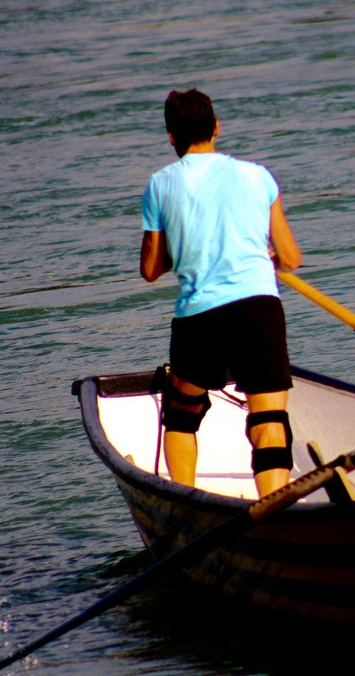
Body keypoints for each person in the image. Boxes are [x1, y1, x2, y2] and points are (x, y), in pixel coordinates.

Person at [139, 88, 302, 498]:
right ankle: (273, 512)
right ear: (216, 128)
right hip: (259, 309)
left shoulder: (160, 184)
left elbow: (150, 269)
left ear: (171, 138)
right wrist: (267, 252)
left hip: (201, 317)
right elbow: (290, 256)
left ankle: (184, 502)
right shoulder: (259, 176)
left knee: (181, 412)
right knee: (269, 420)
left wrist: (184, 243)